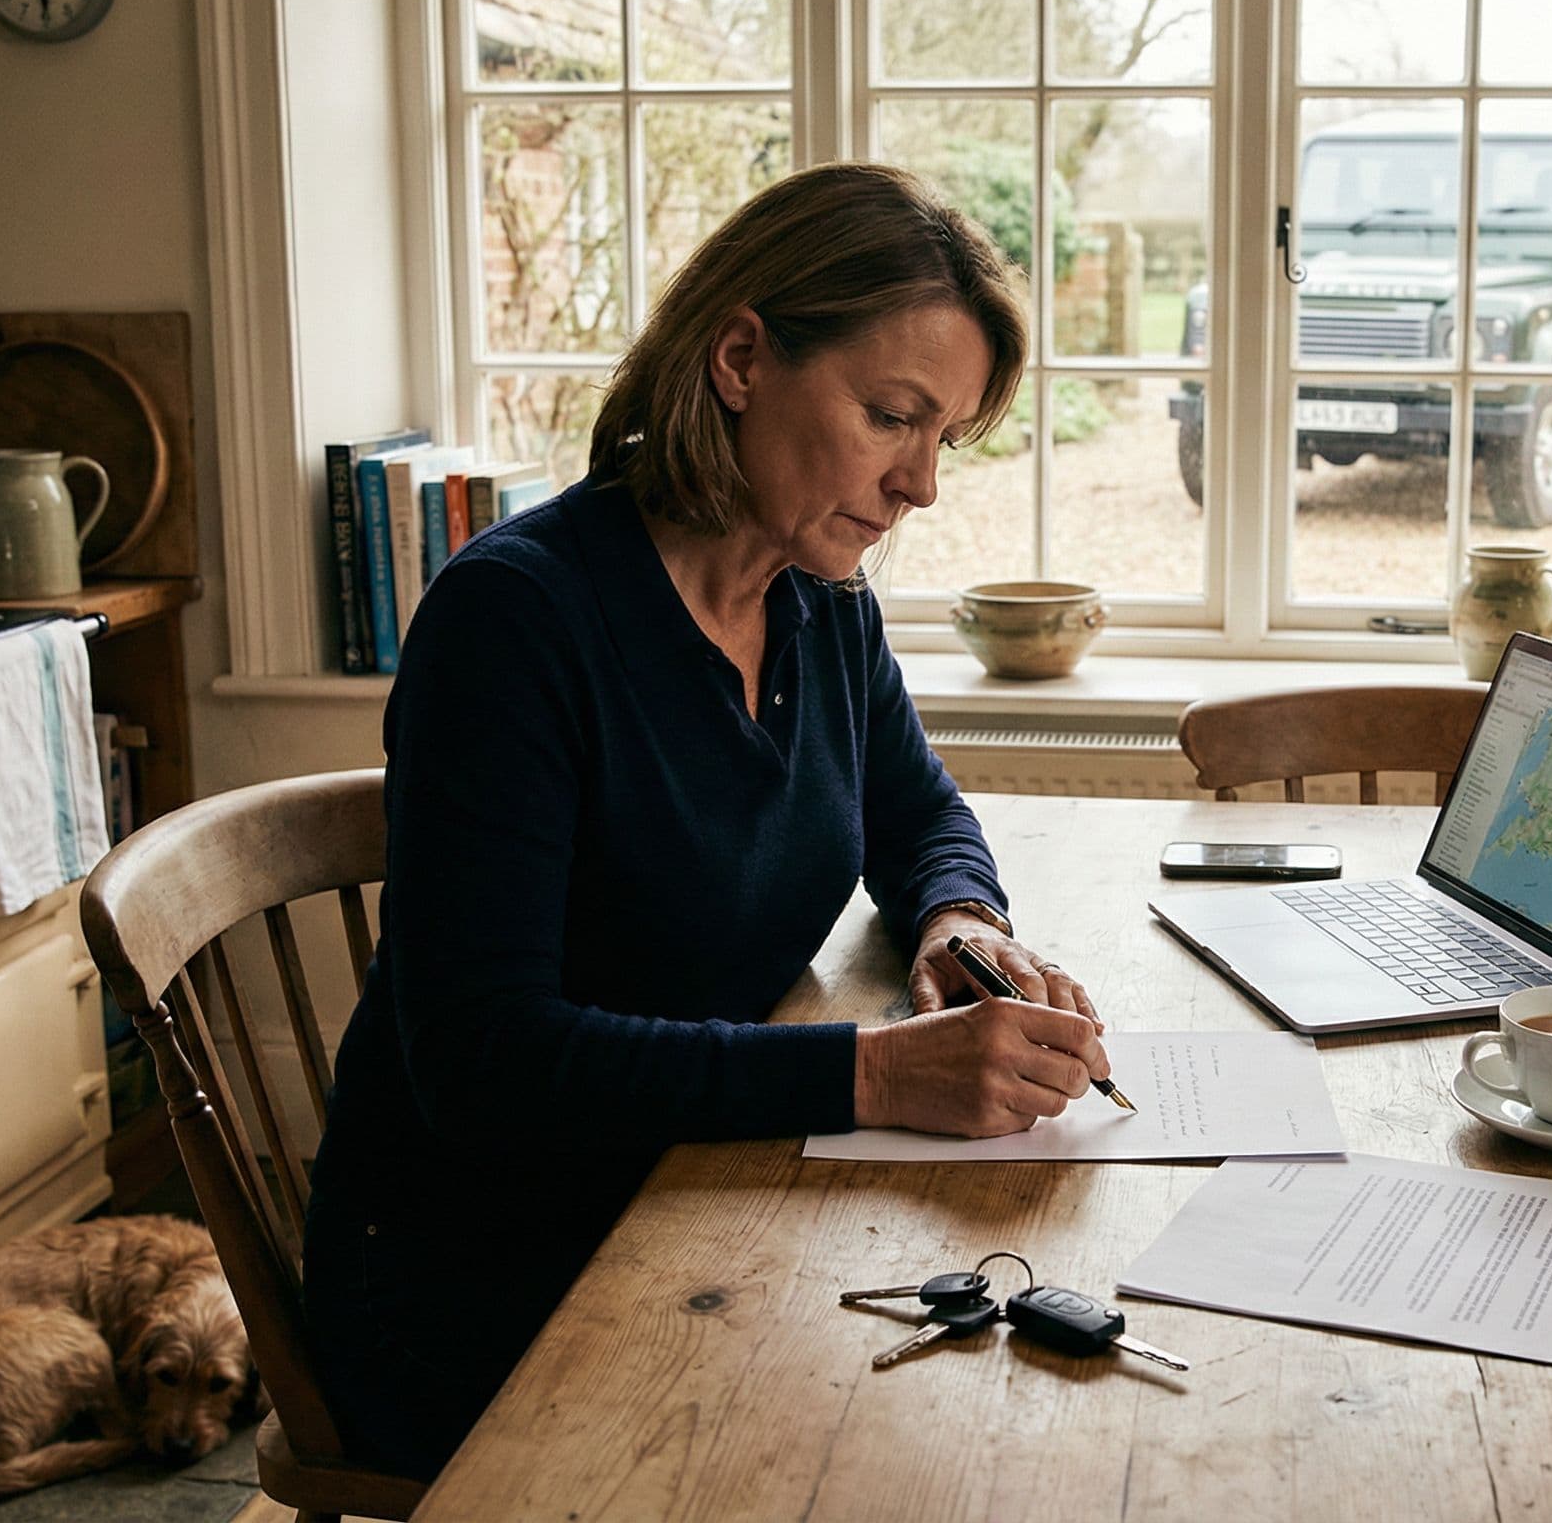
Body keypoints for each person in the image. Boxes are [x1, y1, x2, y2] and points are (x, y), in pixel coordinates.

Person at [302, 164, 1111, 1474]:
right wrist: (873, 1073)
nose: (921, 487)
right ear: (741, 357)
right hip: (488, 1272)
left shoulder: (821, 599)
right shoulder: (516, 621)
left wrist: (961, 922)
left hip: (703, 1188)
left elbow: (918, 813)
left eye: (944, 437)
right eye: (891, 417)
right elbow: (481, 1063)